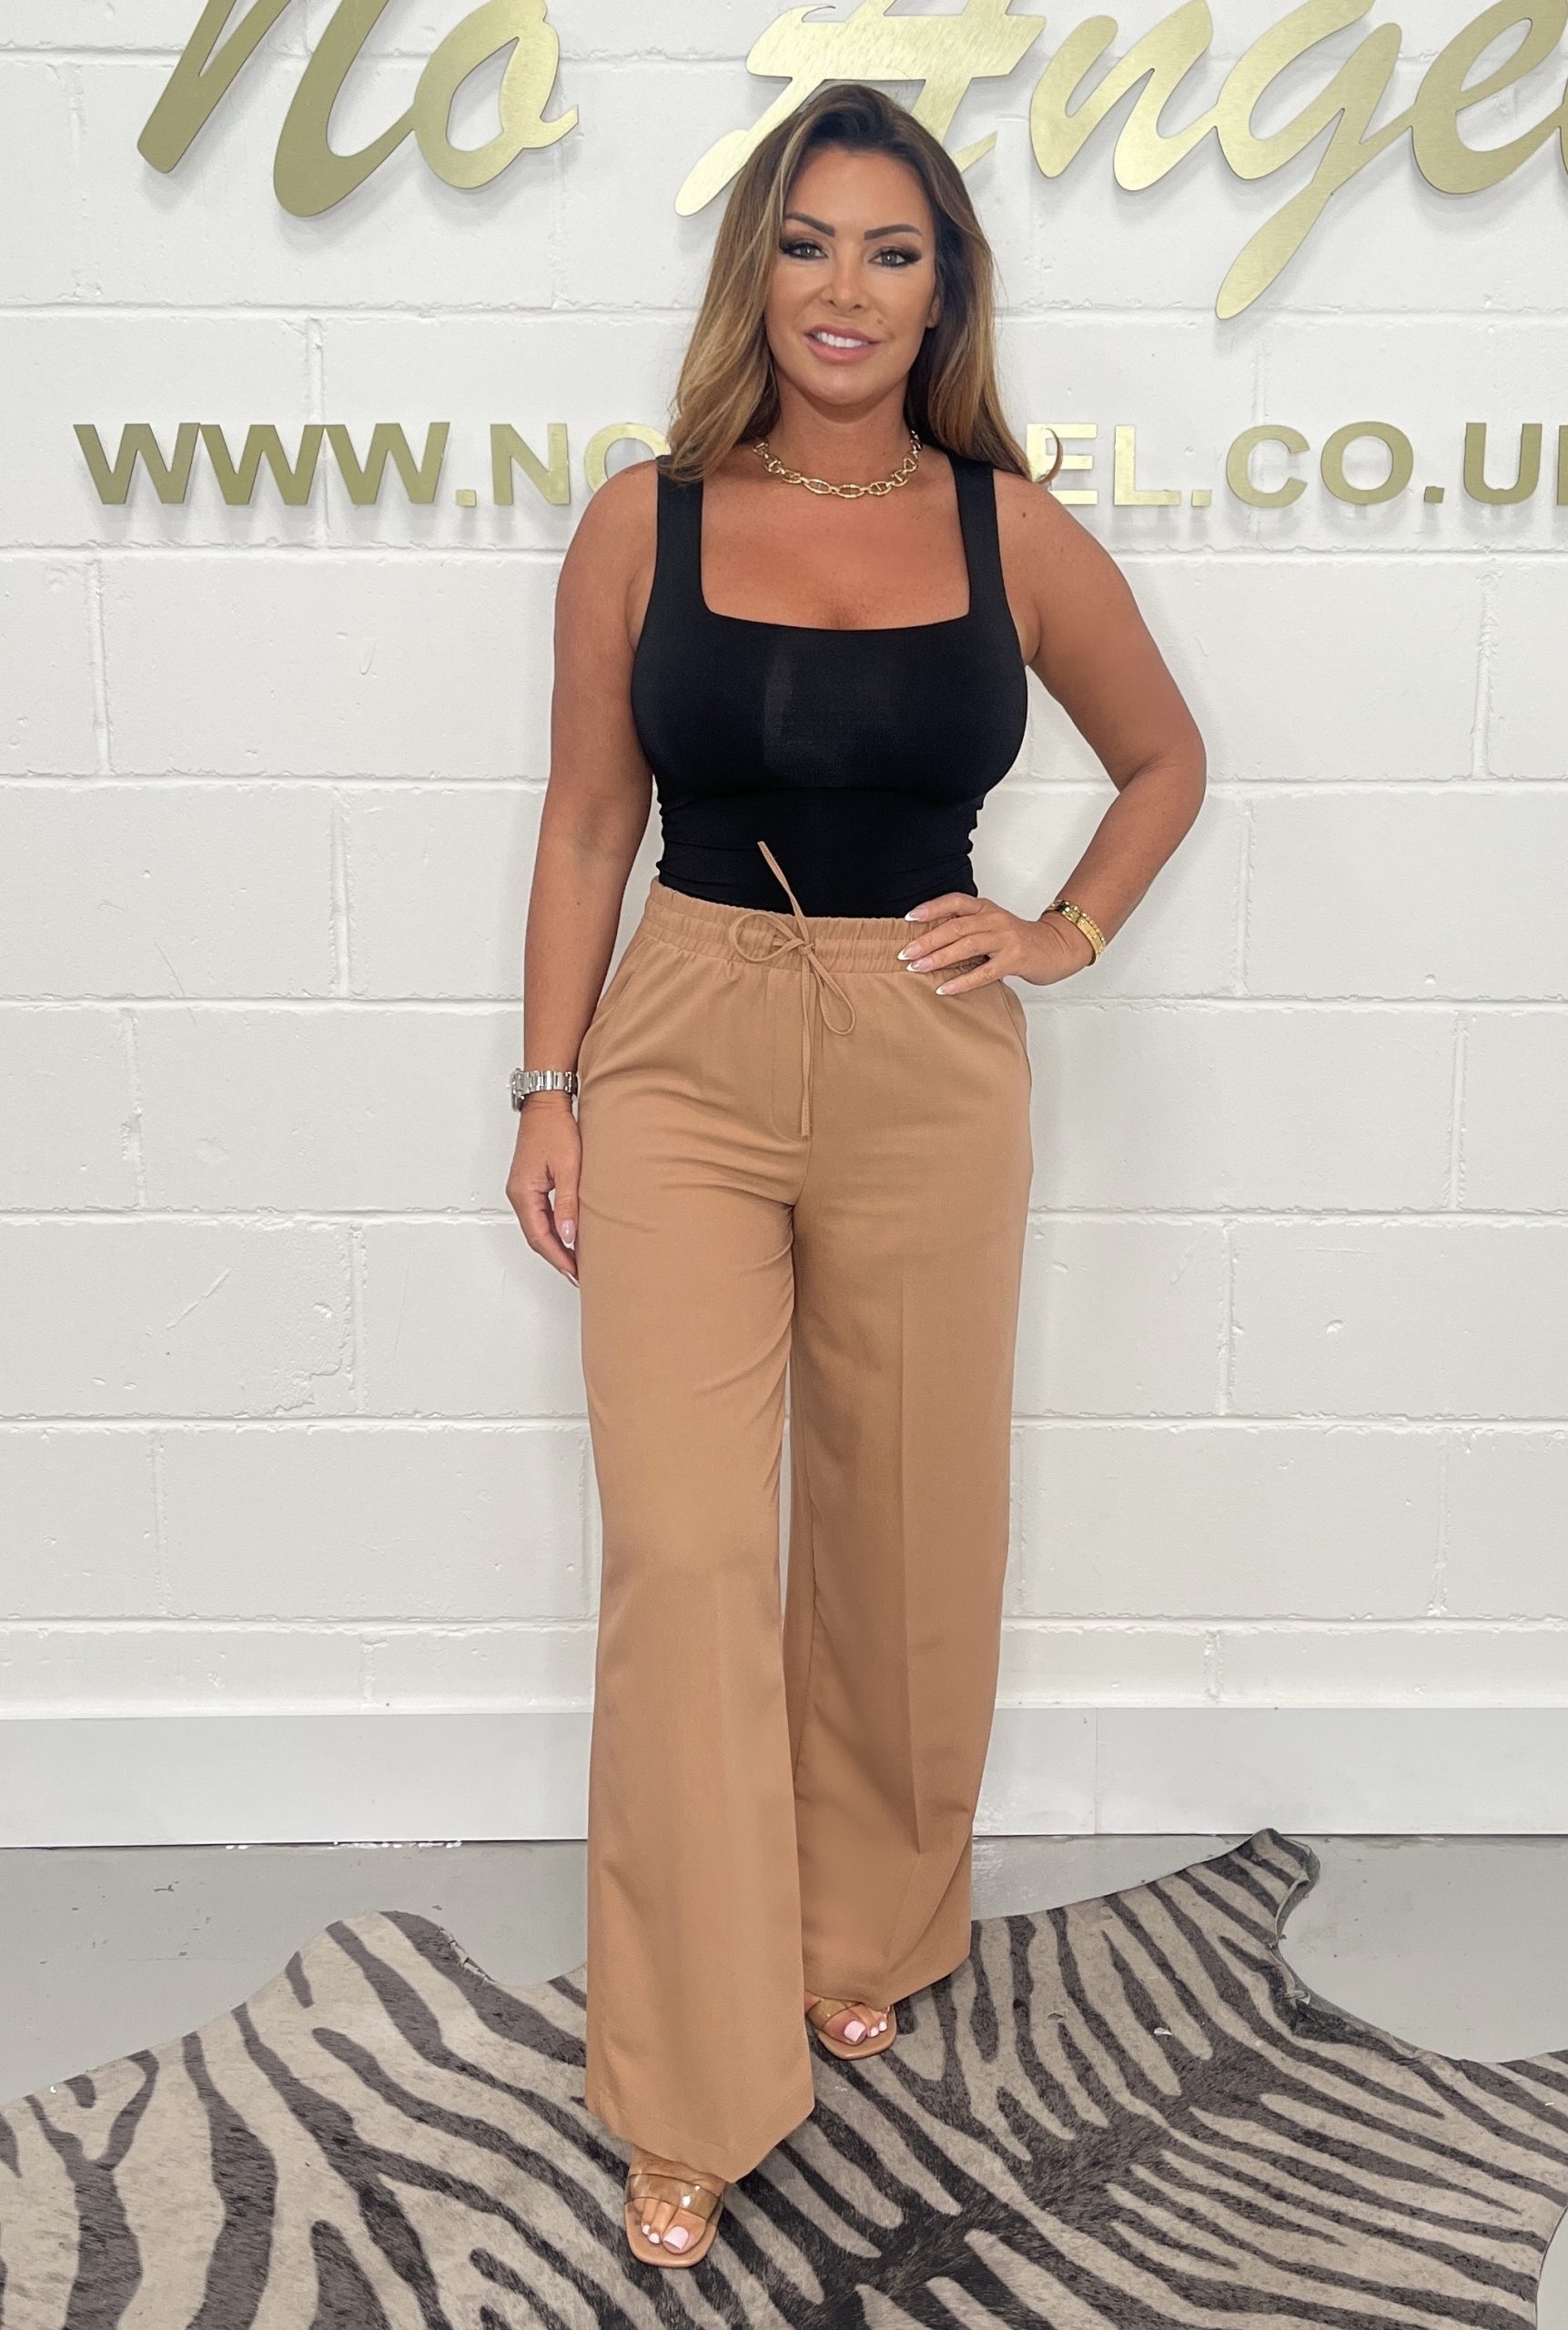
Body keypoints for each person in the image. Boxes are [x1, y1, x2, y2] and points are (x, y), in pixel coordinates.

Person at [507, 79, 1205, 2270]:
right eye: (808, 242)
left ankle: (870, 1919)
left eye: (892, 251)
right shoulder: (645, 520)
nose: (845, 287)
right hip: (686, 1047)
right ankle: (688, 2084)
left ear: (943, 292)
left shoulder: (1010, 531)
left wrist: (1064, 930)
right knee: (691, 1553)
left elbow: (1167, 756)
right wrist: (546, 1085)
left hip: (927, 1047)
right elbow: (586, 823)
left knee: (908, 1525)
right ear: (759, 271)